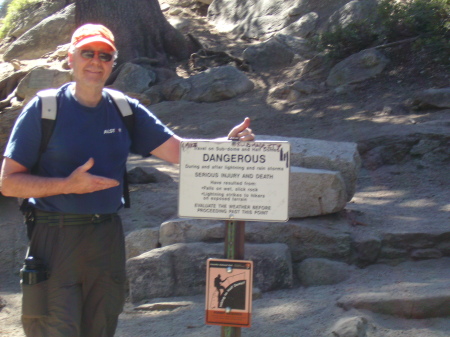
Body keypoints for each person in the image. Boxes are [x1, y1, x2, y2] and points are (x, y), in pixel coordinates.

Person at [0, 23, 254, 337]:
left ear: (113, 62)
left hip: (107, 237)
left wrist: (226, 145)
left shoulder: (123, 109)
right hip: (54, 237)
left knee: (102, 327)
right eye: (87, 53)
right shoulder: (45, 108)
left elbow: (178, 151)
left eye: (105, 55)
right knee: (54, 329)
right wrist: (67, 185)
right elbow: (9, 182)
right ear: (71, 58)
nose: (96, 61)